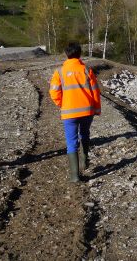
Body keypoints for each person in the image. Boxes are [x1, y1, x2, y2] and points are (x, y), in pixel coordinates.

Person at [49, 42, 101, 183]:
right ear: (79, 54)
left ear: (66, 54)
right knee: (85, 134)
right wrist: (97, 108)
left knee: (71, 142)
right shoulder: (86, 70)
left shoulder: (59, 72)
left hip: (69, 113)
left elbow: (54, 92)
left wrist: (62, 104)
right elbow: (95, 91)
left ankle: (74, 176)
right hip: (87, 111)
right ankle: (84, 162)